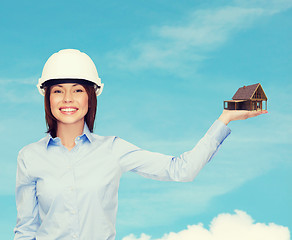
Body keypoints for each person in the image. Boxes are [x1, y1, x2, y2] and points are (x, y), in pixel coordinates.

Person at [13, 49, 268, 240]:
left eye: (77, 90)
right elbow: (25, 230)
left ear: (91, 96)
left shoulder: (113, 150)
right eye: (58, 90)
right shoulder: (30, 157)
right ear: (47, 97)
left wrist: (225, 119)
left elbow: (181, 170)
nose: (68, 98)